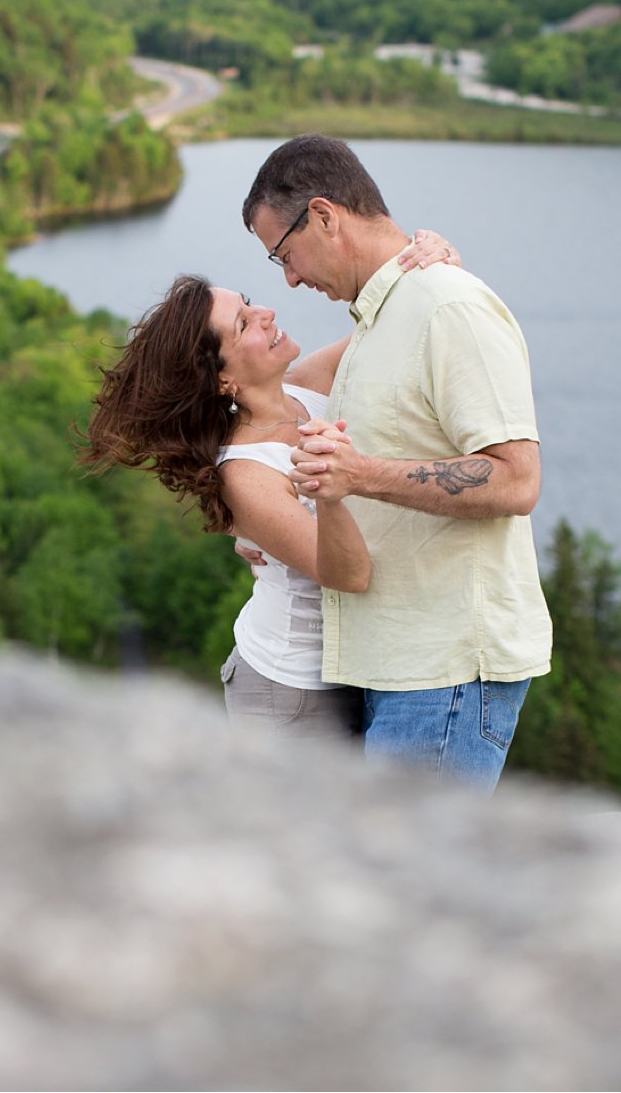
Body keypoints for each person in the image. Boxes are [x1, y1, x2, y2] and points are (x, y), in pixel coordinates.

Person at [242, 135, 548, 793]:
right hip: (397, 669)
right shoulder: (383, 316)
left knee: (413, 889)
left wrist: (360, 476)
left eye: (284, 254)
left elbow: (517, 478)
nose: (290, 278)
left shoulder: (447, 307)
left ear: (323, 215)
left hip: (446, 673)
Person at [79, 230, 456, 737]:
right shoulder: (246, 474)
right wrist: (333, 493)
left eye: (251, 304)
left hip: (355, 669)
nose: (268, 313)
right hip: (290, 692)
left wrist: (433, 256)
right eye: (244, 323)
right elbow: (349, 576)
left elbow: (389, 322)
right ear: (221, 379)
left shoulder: (307, 389)